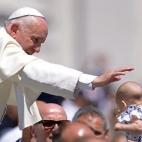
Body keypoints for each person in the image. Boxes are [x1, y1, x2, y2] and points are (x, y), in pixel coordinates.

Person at [0, 6, 134, 129]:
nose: (38, 49)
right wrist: (92, 80)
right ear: (14, 30)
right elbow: (32, 69)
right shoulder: (4, 45)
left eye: (41, 43)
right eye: (35, 40)